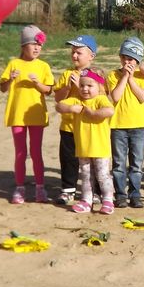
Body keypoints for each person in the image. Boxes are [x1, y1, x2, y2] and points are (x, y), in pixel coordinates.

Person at [0, 25, 54, 204]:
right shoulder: (14, 64)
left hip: (36, 115)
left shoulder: (43, 66)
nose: (37, 48)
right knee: (20, 153)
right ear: (23, 46)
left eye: (39, 45)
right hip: (18, 116)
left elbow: (49, 90)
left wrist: (38, 84)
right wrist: (10, 79)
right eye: (33, 44)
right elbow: (2, 88)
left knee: (36, 152)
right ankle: (20, 188)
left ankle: (40, 188)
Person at [56, 68, 115, 214]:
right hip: (83, 148)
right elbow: (59, 105)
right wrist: (70, 108)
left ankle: (108, 199)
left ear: (100, 87)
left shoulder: (101, 99)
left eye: (90, 86)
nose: (85, 89)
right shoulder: (77, 100)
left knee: (103, 175)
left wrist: (94, 113)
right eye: (82, 85)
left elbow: (110, 111)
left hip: (100, 148)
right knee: (86, 175)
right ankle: (86, 200)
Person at [52, 34, 97, 205]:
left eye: (79, 52)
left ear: (91, 56)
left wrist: (80, 85)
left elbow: (96, 98)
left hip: (88, 127)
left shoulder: (96, 75)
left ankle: (95, 190)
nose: (74, 56)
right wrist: (68, 86)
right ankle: (68, 189)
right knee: (68, 159)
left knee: (92, 160)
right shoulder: (67, 74)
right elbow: (58, 98)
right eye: (72, 52)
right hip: (69, 126)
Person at [107, 37, 144, 209]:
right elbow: (115, 97)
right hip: (118, 126)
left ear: (138, 60)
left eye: (131, 58)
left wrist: (132, 78)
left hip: (138, 126)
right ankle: (120, 195)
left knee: (137, 163)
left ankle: (135, 194)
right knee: (118, 164)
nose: (127, 61)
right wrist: (124, 76)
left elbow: (143, 97)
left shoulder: (142, 76)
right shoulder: (113, 75)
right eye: (124, 57)